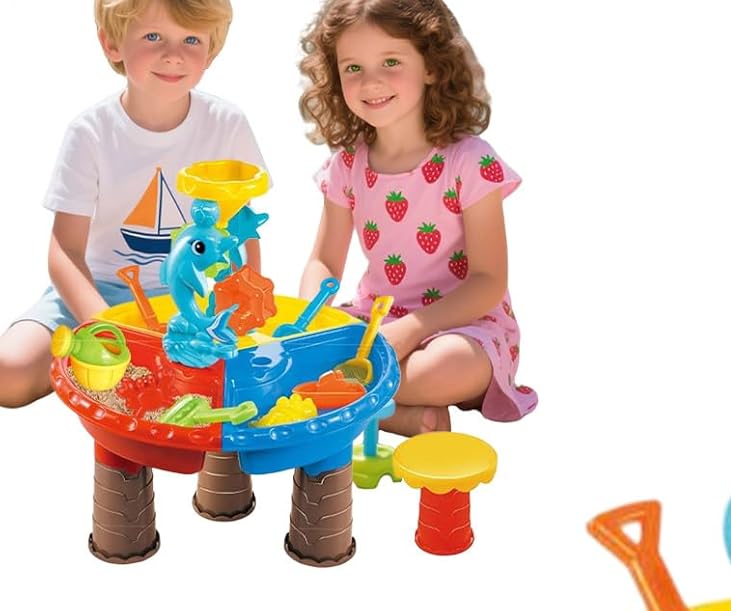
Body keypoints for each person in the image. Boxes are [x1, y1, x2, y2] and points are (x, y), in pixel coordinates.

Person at [0, 0, 263, 408]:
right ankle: (100, 363)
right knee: (8, 375)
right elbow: (64, 253)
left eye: (191, 40)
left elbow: (242, 231)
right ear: (112, 44)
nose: (173, 55)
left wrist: (239, 309)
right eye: (153, 36)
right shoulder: (90, 132)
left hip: (189, 301)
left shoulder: (227, 124)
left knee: (232, 382)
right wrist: (108, 328)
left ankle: (116, 373)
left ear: (211, 51)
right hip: (93, 294)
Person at [299, 0, 536, 436]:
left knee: (445, 368)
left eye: (391, 62)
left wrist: (410, 331)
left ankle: (338, 400)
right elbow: (324, 263)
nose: (371, 82)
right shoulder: (346, 165)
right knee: (297, 354)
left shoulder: (470, 161)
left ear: (431, 65)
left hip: (464, 328)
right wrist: (311, 318)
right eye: (353, 68)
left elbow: (488, 280)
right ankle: (400, 415)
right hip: (377, 320)